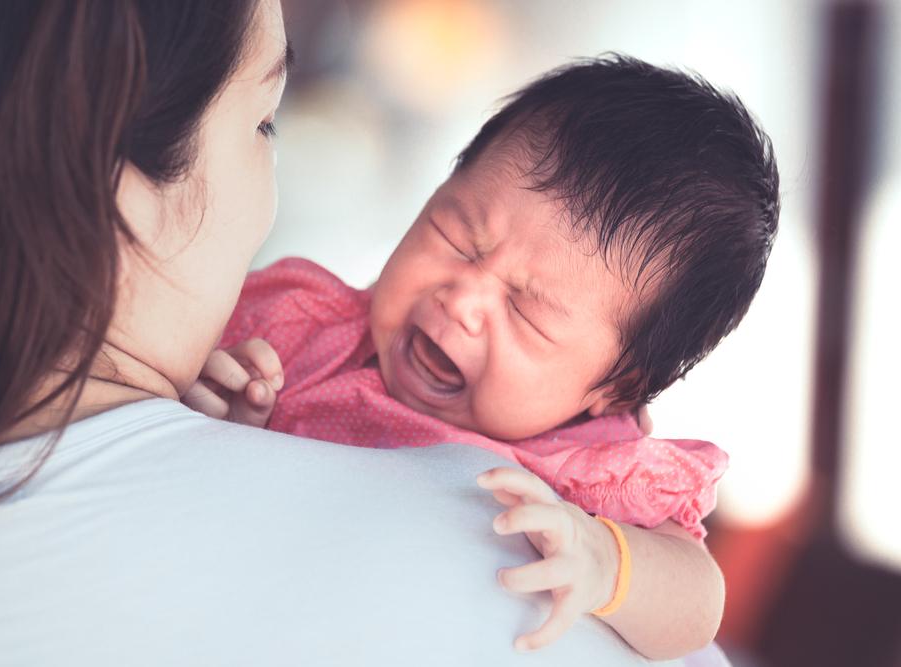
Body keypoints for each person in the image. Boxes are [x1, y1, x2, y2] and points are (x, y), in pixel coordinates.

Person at [187, 58, 779, 658]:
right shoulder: (301, 338)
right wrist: (224, 422)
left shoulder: (595, 469)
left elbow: (698, 602)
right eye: (457, 238)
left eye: (527, 311)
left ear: (618, 387)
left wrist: (603, 560)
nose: (463, 299)